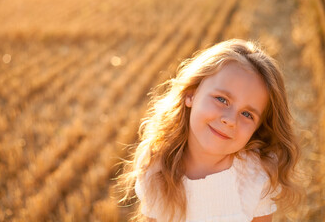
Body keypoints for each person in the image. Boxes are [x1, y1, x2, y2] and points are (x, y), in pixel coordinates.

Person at [117, 39, 304, 222]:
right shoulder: (156, 166)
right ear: (191, 94)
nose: (230, 120)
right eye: (222, 99)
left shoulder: (255, 177)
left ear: (257, 128)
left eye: (247, 114)